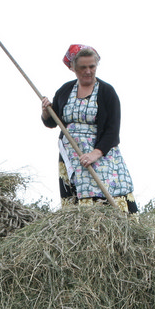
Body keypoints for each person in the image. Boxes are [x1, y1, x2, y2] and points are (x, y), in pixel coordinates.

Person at [40, 44, 137, 214]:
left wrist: (95, 153)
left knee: (104, 195)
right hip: (71, 155)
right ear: (73, 68)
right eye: (82, 67)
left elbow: (113, 130)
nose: (88, 71)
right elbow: (53, 123)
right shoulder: (65, 90)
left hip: (101, 155)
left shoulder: (107, 92)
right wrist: (46, 112)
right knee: (76, 199)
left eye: (92, 66)